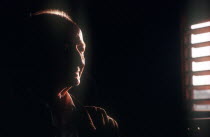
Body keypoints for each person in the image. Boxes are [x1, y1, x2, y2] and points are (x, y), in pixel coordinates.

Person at [1, 9, 119, 137]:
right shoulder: (9, 117)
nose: (78, 58)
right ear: (37, 50)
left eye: (81, 49)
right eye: (65, 47)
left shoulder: (102, 122)